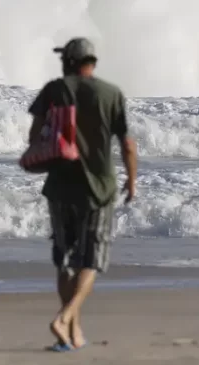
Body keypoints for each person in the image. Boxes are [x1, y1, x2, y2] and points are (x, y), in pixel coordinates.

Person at [27, 37, 137, 352]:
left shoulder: (54, 90)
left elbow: (34, 137)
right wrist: (132, 181)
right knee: (91, 260)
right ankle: (66, 319)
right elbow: (127, 144)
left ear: (70, 61)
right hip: (98, 188)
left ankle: (72, 332)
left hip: (60, 186)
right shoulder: (111, 94)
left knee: (65, 259)